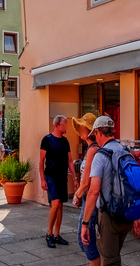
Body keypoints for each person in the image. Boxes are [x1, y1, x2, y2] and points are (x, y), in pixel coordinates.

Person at [81, 115, 132, 266]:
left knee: (109, 262)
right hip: (127, 216)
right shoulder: (125, 152)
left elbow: (93, 191)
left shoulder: (100, 156)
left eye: (95, 134)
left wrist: (85, 223)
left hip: (109, 217)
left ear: (98, 131)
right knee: (114, 255)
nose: (95, 138)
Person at [71, 113, 100, 266]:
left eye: (82, 125)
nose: (80, 128)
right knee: (85, 239)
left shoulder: (92, 150)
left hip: (91, 198)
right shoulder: (91, 148)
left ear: (89, 130)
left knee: (86, 239)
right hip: (89, 197)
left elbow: (86, 181)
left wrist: (77, 195)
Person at [40, 115, 73, 248]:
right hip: (51, 176)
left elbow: (70, 161)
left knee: (60, 205)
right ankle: (49, 234)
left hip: (62, 177)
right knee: (55, 204)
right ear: (57, 125)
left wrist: (75, 178)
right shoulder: (47, 140)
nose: (65, 127)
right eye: (64, 124)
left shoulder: (65, 141)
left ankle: (57, 234)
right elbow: (41, 161)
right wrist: (42, 179)